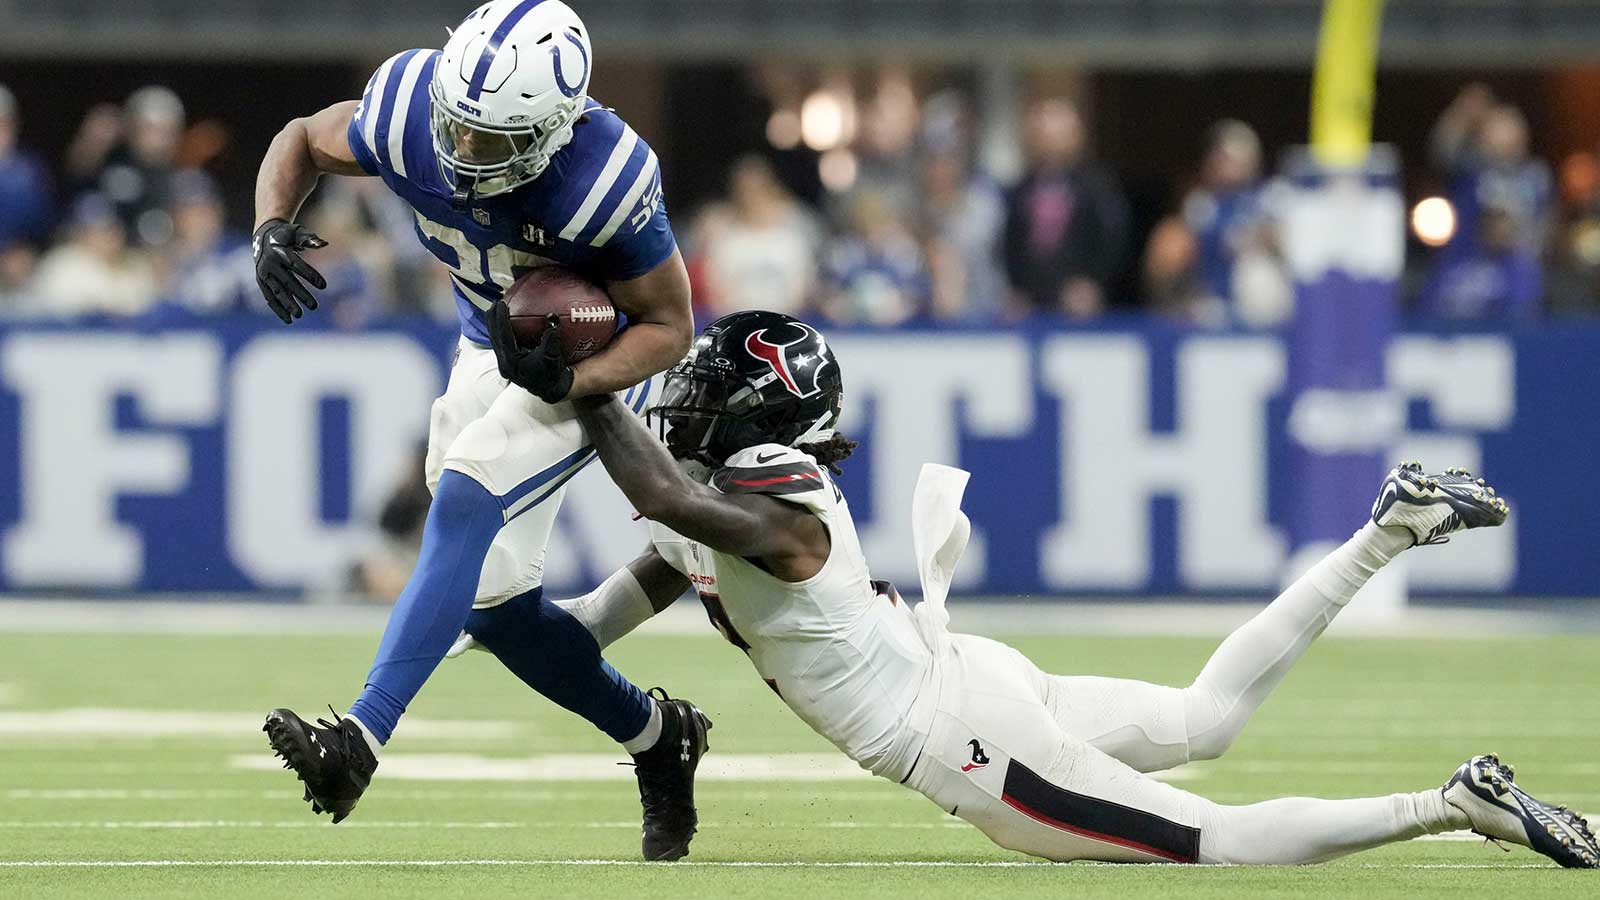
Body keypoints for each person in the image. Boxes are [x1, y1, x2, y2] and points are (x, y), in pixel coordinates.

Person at [484, 309, 1595, 868]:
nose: (680, 401)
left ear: (757, 415)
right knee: (1205, 721)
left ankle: (1454, 805)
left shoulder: (774, 504)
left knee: (1214, 841)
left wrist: (586, 387)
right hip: (970, 678)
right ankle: (1387, 530)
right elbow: (592, 623)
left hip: (961, 738)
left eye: (705, 390)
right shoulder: (716, 505)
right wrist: (482, 619)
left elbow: (668, 502)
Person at [252, 0, 708, 861]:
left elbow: (669, 326)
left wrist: (574, 380)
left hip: (591, 360)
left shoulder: (603, 177)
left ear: (552, 131)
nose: (462, 149)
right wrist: (269, 225)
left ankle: (359, 741)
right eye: (457, 125)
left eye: (491, 140)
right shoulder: (409, 105)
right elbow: (302, 138)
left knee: (469, 490)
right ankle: (659, 737)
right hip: (486, 342)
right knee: (496, 609)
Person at [1001, 98, 1129, 319]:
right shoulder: (1021, 188)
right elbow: (1011, 243)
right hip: (1031, 303)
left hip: (1080, 306)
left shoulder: (1097, 186)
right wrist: (1017, 288)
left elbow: (1114, 239)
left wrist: (1093, 282)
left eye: (1057, 135)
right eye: (1043, 135)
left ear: (1075, 137)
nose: (1050, 144)